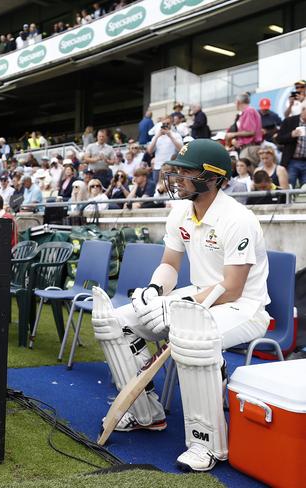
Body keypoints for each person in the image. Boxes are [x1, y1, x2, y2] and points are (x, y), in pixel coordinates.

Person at [90, 138, 270, 472]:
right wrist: (156, 290)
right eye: (178, 170)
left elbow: (232, 289)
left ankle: (207, 443)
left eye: (186, 172)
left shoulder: (238, 219)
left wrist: (178, 304)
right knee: (116, 322)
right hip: (200, 298)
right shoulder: (181, 213)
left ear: (213, 177)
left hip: (244, 309)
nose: (177, 178)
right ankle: (146, 414)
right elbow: (170, 264)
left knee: (192, 337)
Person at [225, 93, 263, 165]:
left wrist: (232, 134)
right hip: (248, 147)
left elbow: (251, 132)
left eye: (235, 102)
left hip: (249, 148)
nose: (234, 104)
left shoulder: (248, 111)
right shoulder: (249, 111)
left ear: (238, 102)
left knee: (248, 171)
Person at [276, 101, 306, 188]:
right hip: (292, 161)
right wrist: (291, 135)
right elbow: (279, 139)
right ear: (302, 110)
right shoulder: (289, 121)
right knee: (288, 186)